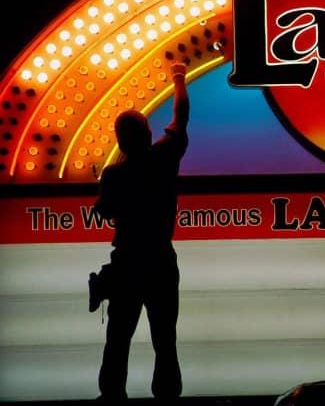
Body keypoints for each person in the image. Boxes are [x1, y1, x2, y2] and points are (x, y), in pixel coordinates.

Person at [93, 61, 189, 401]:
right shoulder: (164, 157)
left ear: (119, 142)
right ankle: (166, 396)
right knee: (165, 340)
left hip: (128, 262)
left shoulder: (113, 175)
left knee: (118, 338)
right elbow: (181, 117)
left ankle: (112, 395)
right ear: (149, 133)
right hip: (160, 259)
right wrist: (178, 78)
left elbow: (106, 210)